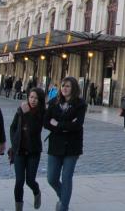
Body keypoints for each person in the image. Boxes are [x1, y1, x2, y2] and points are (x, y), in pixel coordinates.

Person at [44, 76, 86, 211]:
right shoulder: (53, 103)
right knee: (51, 178)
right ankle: (63, 196)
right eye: (63, 86)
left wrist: (57, 124)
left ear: (73, 88)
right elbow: (46, 123)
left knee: (67, 177)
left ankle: (63, 206)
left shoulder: (80, 104)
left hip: (72, 146)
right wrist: (66, 125)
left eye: (68, 86)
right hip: (55, 145)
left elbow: (77, 125)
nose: (64, 88)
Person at [10, 88, 45, 211]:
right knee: (19, 181)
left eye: (36, 98)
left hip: (33, 151)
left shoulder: (41, 113)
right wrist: (14, 143)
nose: (33, 100)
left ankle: (37, 192)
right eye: (31, 97)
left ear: (40, 100)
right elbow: (13, 127)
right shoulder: (21, 110)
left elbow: (34, 129)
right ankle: (18, 208)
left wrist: (28, 113)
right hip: (19, 150)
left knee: (30, 180)